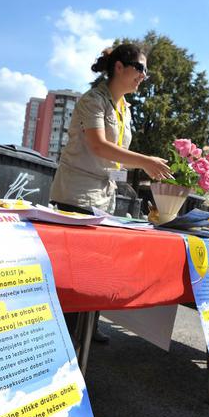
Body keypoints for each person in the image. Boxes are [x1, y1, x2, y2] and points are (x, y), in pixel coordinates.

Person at [50, 44, 172, 344]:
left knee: (94, 268)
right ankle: (61, 336)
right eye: (140, 68)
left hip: (104, 194)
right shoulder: (93, 101)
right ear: (119, 67)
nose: (144, 77)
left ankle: (86, 326)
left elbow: (115, 154)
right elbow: (99, 146)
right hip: (76, 194)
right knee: (71, 272)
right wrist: (145, 161)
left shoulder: (124, 107)